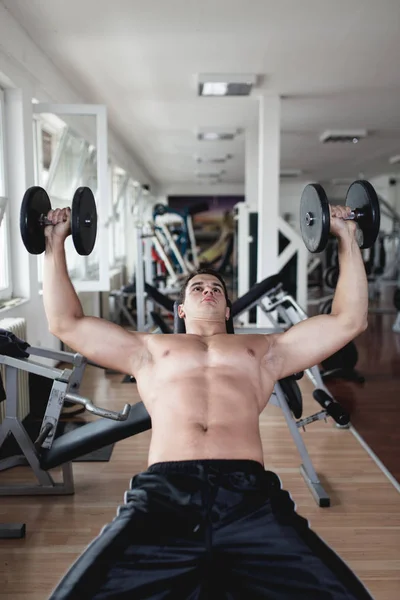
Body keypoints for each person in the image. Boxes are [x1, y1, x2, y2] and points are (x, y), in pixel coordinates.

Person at [43, 205, 373, 599]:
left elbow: (349, 321)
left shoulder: (265, 349)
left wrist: (347, 236)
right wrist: (54, 243)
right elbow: (66, 323)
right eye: (197, 287)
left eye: (217, 289)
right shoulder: (148, 348)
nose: (208, 290)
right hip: (164, 494)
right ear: (180, 310)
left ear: (228, 309)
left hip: (249, 497)